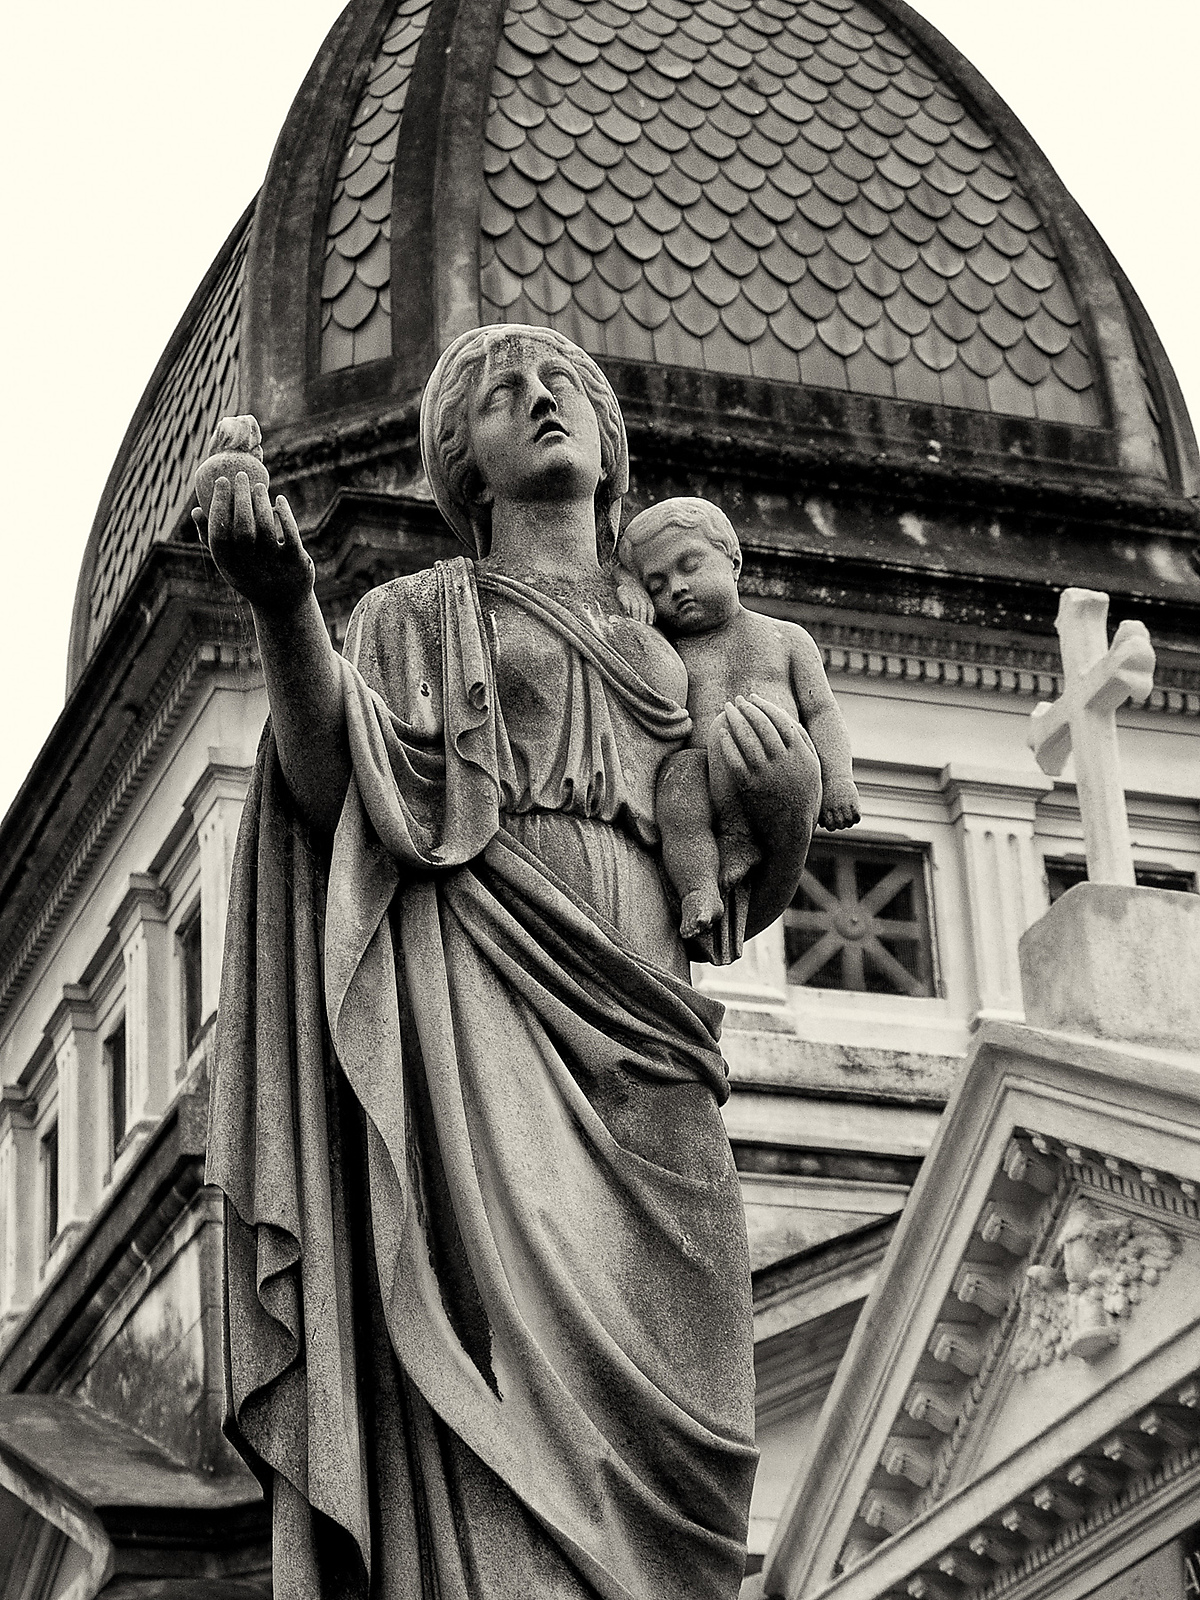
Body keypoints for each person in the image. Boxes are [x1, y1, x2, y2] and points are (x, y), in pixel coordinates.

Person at [199, 324, 823, 1600]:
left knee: (693, 1415)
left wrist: (796, 792)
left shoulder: (694, 635)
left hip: (652, 1033)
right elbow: (339, 790)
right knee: (508, 1393)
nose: (540, 401)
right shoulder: (416, 616)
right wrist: (281, 605)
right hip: (481, 1012)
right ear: (463, 470)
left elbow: (745, 878)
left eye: (564, 387)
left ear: (608, 437)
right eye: (499, 397)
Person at [615, 498, 860, 942]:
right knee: (678, 788)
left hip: (774, 762)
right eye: (656, 584)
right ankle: (697, 888)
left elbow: (823, 712)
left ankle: (739, 838)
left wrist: (839, 779)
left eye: (689, 566)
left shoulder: (786, 638)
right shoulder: (670, 649)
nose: (676, 588)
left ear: (734, 561)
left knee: (740, 733)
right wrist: (624, 586)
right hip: (704, 773)